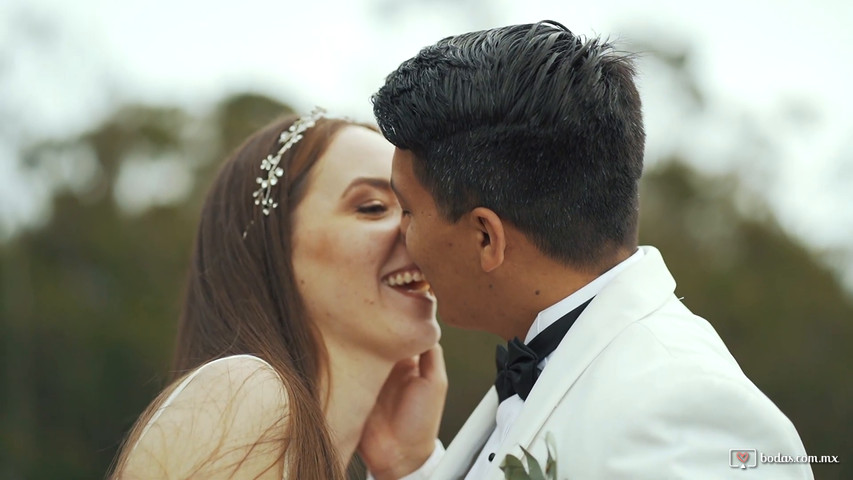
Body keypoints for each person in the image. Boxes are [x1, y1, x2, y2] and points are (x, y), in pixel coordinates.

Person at [363, 21, 814, 479]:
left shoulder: (689, 415)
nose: (398, 234)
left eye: (407, 210)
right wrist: (410, 468)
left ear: (486, 237)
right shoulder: (557, 361)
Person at [109, 109, 447, 479]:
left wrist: (406, 466)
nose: (416, 233)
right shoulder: (241, 396)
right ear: (273, 249)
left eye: (414, 209)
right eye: (372, 207)